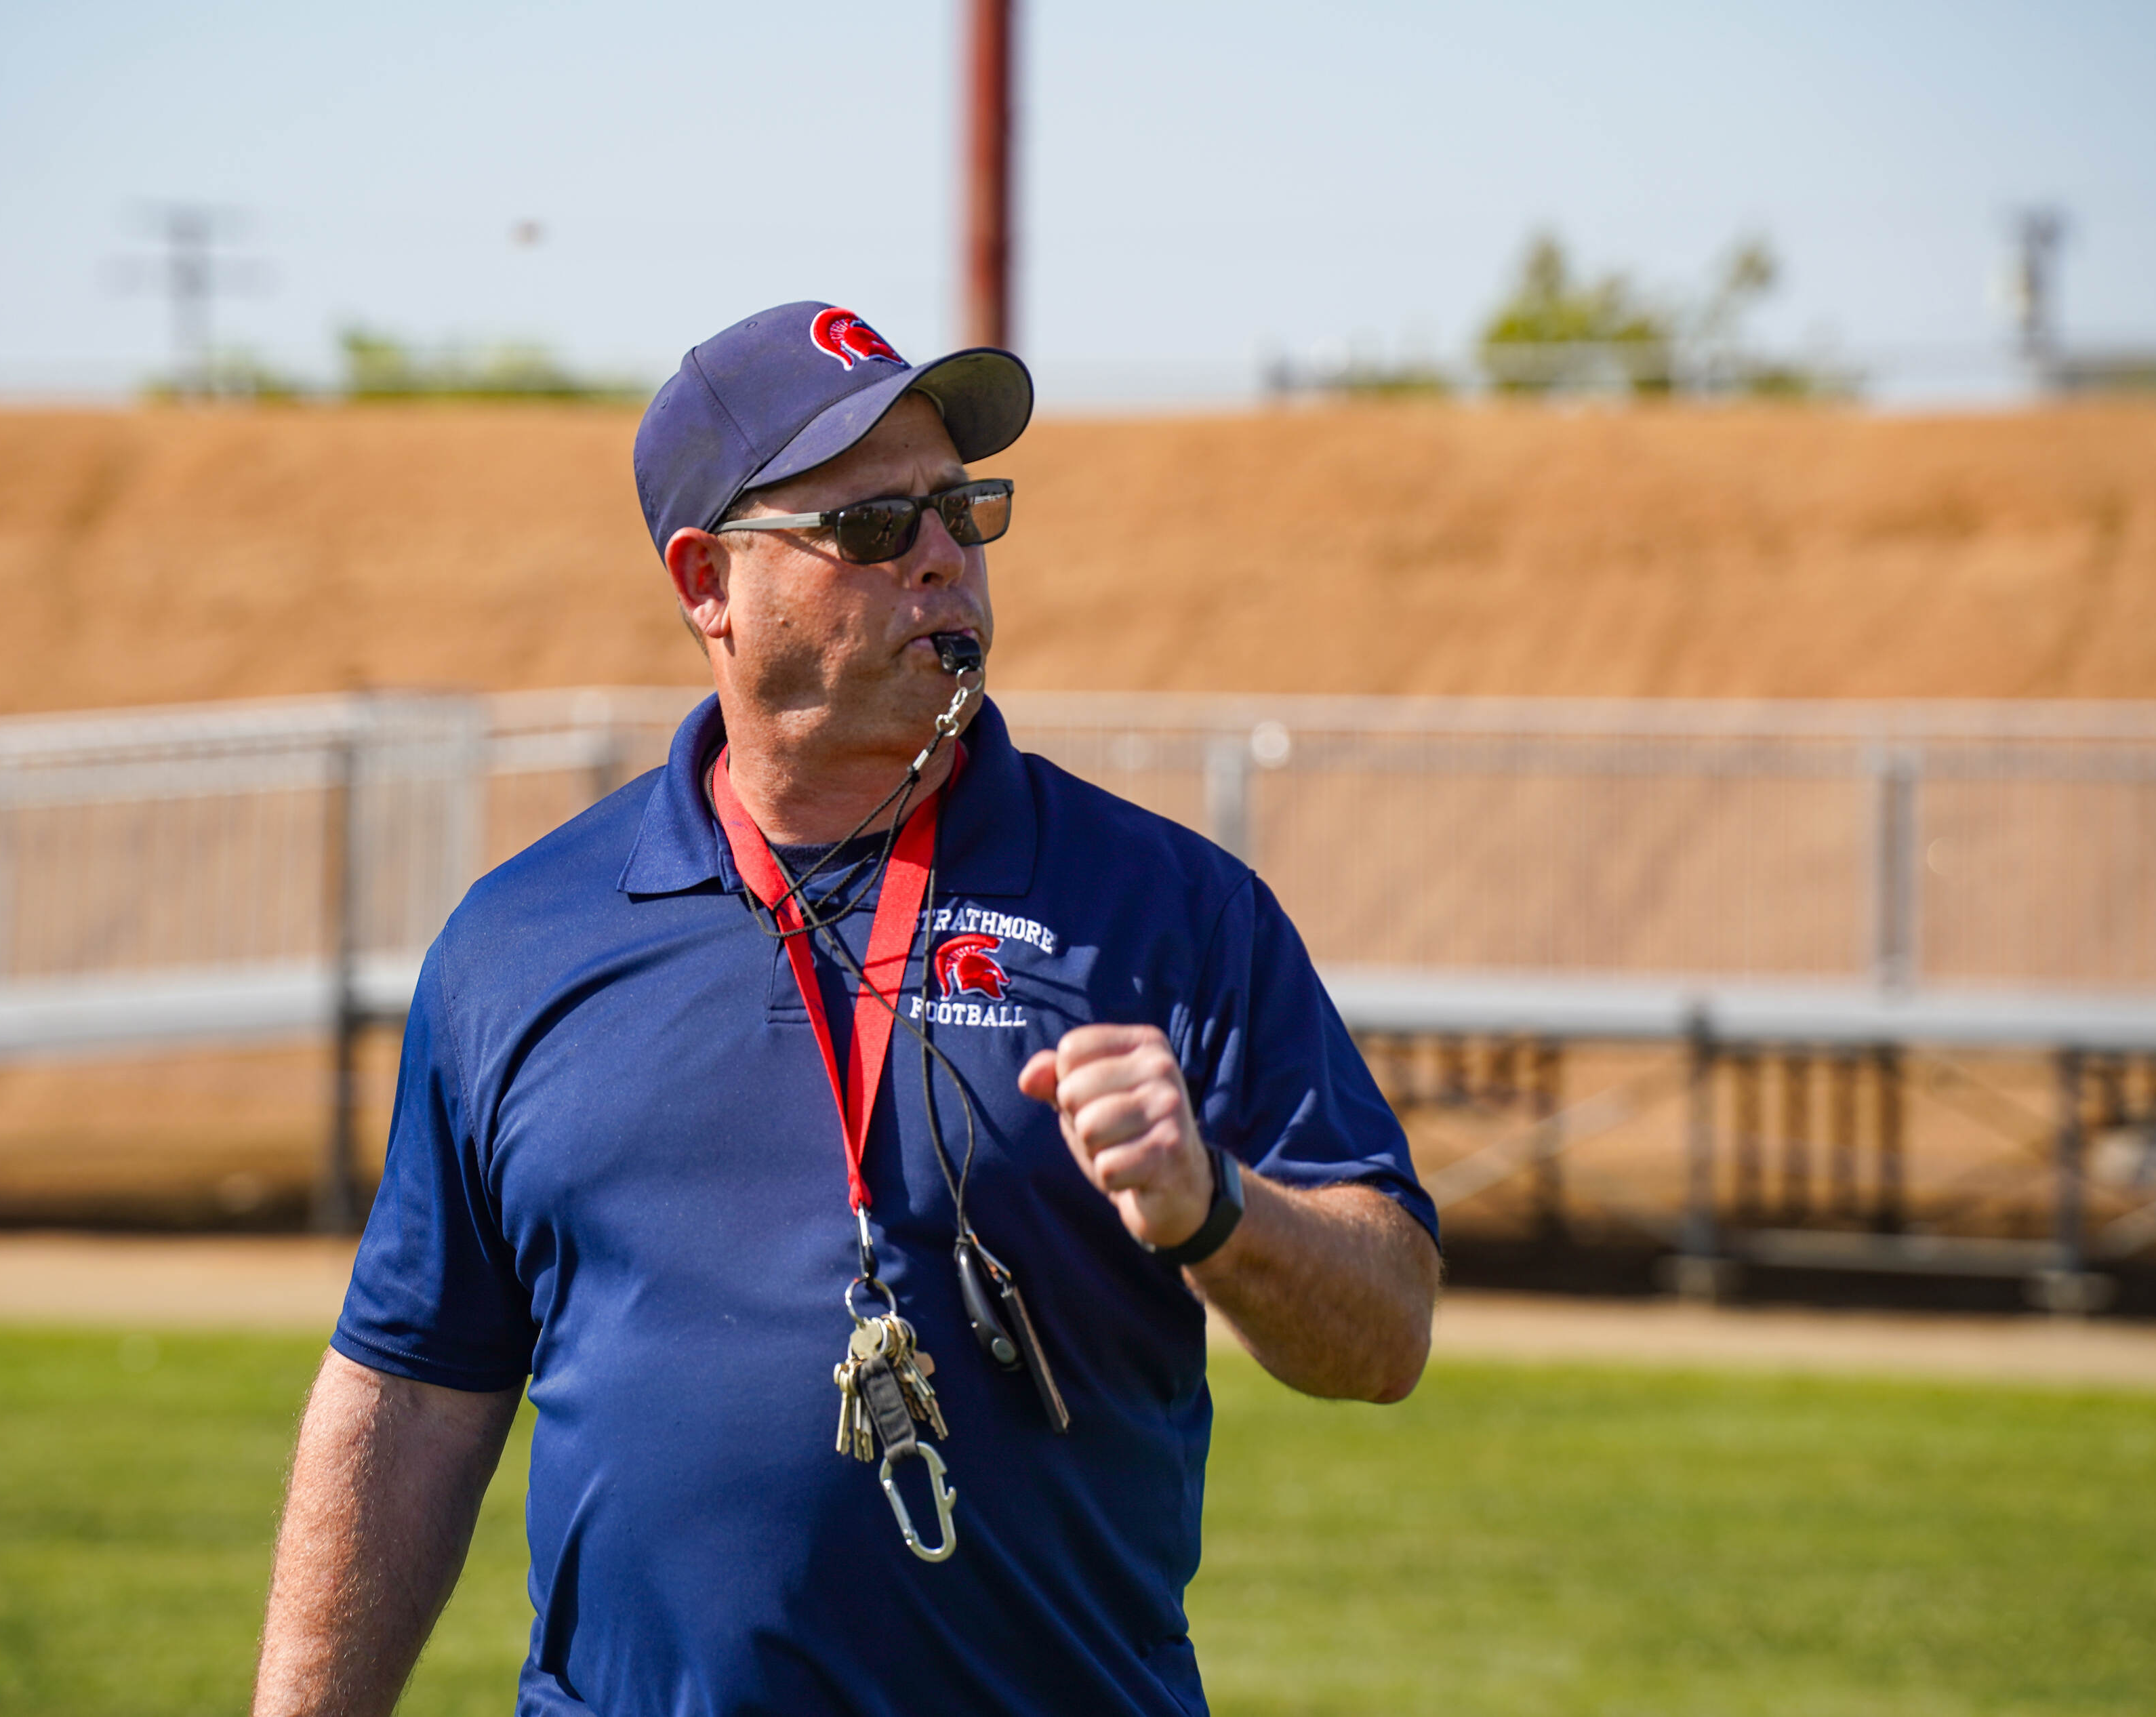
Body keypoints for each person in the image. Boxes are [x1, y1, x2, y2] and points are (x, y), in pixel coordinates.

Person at [251, 302, 1442, 1717]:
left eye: (961, 509)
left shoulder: (1171, 909)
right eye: (873, 526)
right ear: (709, 581)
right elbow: (410, 1398)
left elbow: (1385, 1332)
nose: (941, 553)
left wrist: (1217, 1211)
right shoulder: (519, 938)